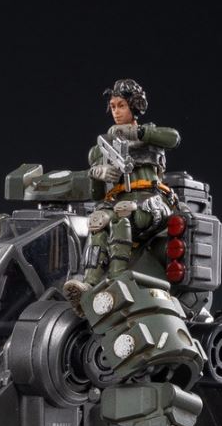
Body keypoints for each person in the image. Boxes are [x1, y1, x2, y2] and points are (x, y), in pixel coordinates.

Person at [64, 79, 182, 308]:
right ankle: (88, 285)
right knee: (98, 221)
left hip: (152, 200)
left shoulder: (150, 136)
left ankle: (116, 279)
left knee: (123, 215)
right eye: (113, 106)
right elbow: (97, 195)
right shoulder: (102, 148)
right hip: (119, 199)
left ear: (134, 106)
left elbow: (173, 137)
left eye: (121, 106)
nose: (116, 112)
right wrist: (97, 174)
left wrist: (137, 132)